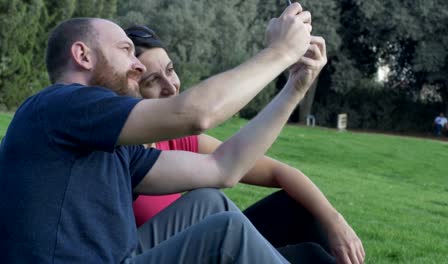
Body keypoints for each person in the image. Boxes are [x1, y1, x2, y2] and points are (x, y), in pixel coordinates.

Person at [0, 3, 332, 263]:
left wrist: (293, 89)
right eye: (125, 50)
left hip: (121, 256)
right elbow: (196, 113)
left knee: (208, 201)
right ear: (83, 55)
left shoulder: (112, 146)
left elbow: (223, 168)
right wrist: (280, 52)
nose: (139, 64)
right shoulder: (60, 105)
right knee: (226, 232)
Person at [126, 25, 365, 264]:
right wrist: (280, 54)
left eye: (170, 70)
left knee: (297, 209)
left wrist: (336, 222)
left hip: (205, 242)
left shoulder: (177, 140)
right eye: (152, 81)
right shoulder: (121, 154)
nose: (171, 87)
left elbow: (278, 172)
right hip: (187, 254)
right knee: (310, 256)